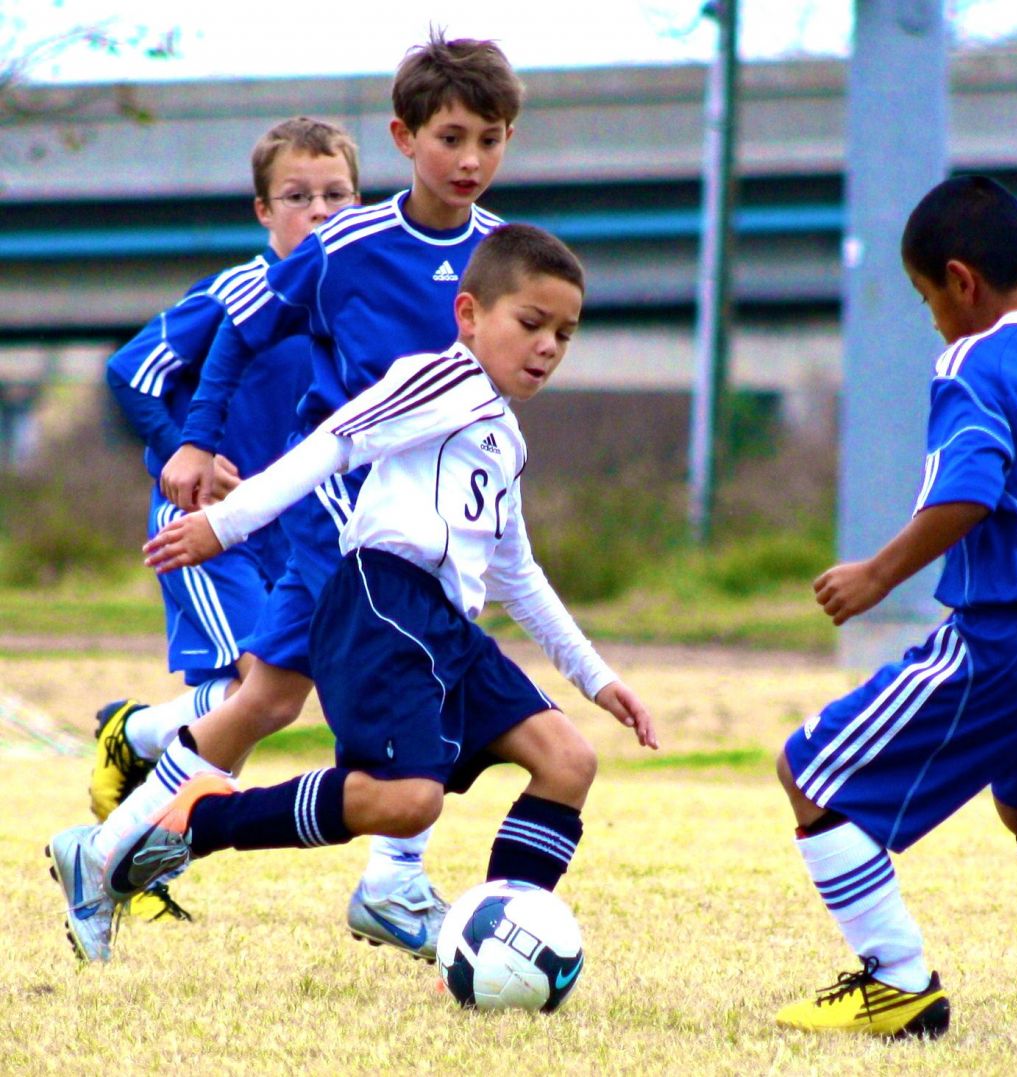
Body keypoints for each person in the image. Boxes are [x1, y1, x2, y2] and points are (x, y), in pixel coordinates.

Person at [50, 223, 656, 968]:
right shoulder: (438, 376)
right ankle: (203, 819)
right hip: (382, 604)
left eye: (564, 334)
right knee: (408, 799)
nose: (548, 347)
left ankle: (490, 948)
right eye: (531, 323)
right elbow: (333, 440)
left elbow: (516, 570)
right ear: (467, 315)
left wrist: (599, 677)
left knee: (568, 761)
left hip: (448, 626)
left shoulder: (504, 432)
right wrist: (223, 524)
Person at [80, 30, 524, 961]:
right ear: (407, 139)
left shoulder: (501, 253)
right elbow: (237, 332)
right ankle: (125, 845)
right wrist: (194, 439)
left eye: (490, 138)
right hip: (340, 519)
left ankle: (117, 845)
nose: (471, 158)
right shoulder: (350, 245)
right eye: (452, 136)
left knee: (270, 703)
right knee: (274, 697)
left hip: (431, 525)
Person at [772, 176, 1017, 1043]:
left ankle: (897, 983)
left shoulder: (975, 359)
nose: (932, 321)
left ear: (961, 281)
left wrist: (879, 575)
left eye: (926, 299)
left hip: (1013, 632)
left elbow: (969, 486)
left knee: (809, 771)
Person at [94, 116, 361, 925]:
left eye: (336, 194)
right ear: (261, 211)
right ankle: (134, 765)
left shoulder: (353, 302)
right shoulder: (239, 292)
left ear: (360, 200)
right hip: (207, 529)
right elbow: (130, 367)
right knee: (255, 690)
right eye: (297, 196)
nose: (317, 211)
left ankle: (136, 753)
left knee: (268, 699)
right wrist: (184, 450)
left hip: (292, 535)